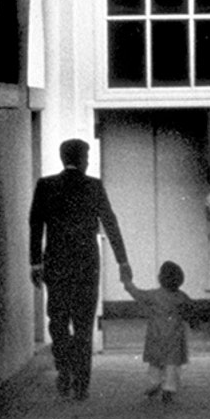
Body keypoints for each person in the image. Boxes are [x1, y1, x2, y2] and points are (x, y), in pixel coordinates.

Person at [29, 139, 131, 401]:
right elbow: (110, 222)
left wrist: (35, 262)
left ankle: (64, 369)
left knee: (59, 321)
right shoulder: (93, 186)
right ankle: (81, 384)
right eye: (87, 157)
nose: (88, 162)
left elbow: (35, 224)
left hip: (56, 264)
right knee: (84, 325)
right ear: (83, 159)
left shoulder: (45, 185)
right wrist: (122, 260)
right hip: (86, 266)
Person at [123, 261, 194, 404]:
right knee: (172, 364)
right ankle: (169, 388)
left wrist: (128, 283)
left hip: (155, 336)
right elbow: (191, 310)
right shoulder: (181, 297)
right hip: (175, 336)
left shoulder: (154, 296)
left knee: (155, 362)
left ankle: (154, 383)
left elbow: (137, 294)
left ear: (161, 278)